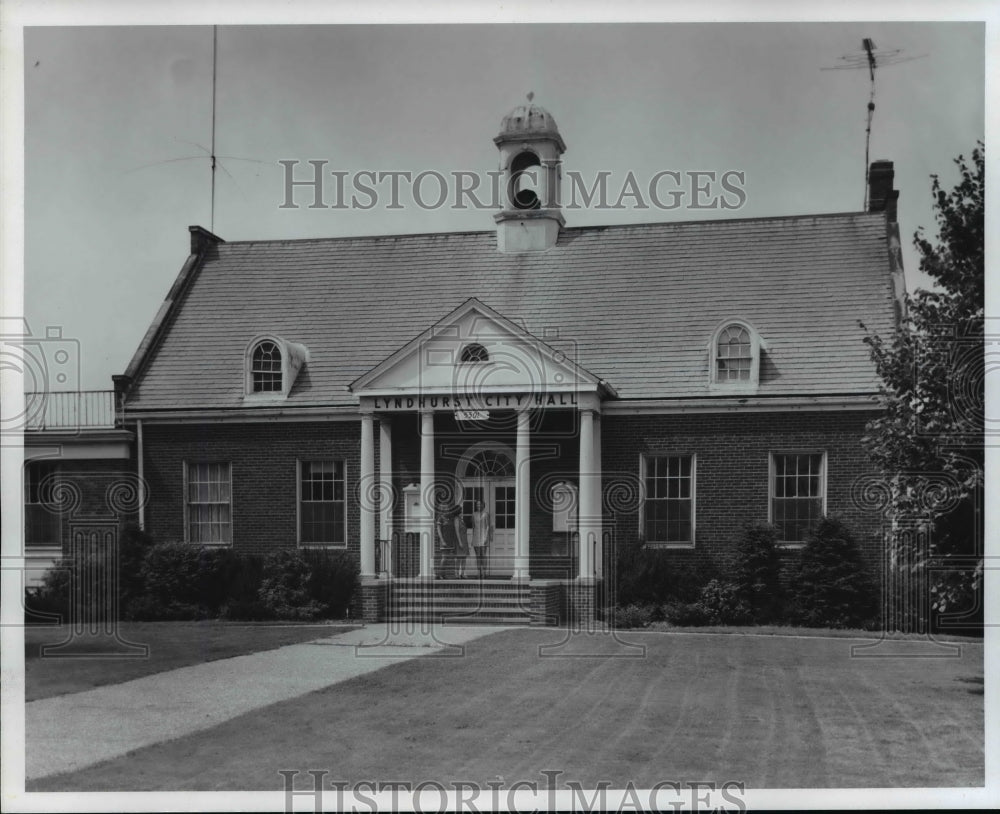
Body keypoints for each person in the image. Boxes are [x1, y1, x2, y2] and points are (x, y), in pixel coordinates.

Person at [470, 499, 493, 579]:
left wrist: (486, 537)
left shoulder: (486, 514)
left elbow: (488, 526)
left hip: (483, 536)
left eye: (480, 504)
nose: (479, 506)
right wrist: (472, 539)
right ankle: (478, 572)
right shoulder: (474, 514)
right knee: (477, 556)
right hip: (476, 536)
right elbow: (473, 527)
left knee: (483, 555)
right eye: (477, 504)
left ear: (483, 505)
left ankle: (484, 572)